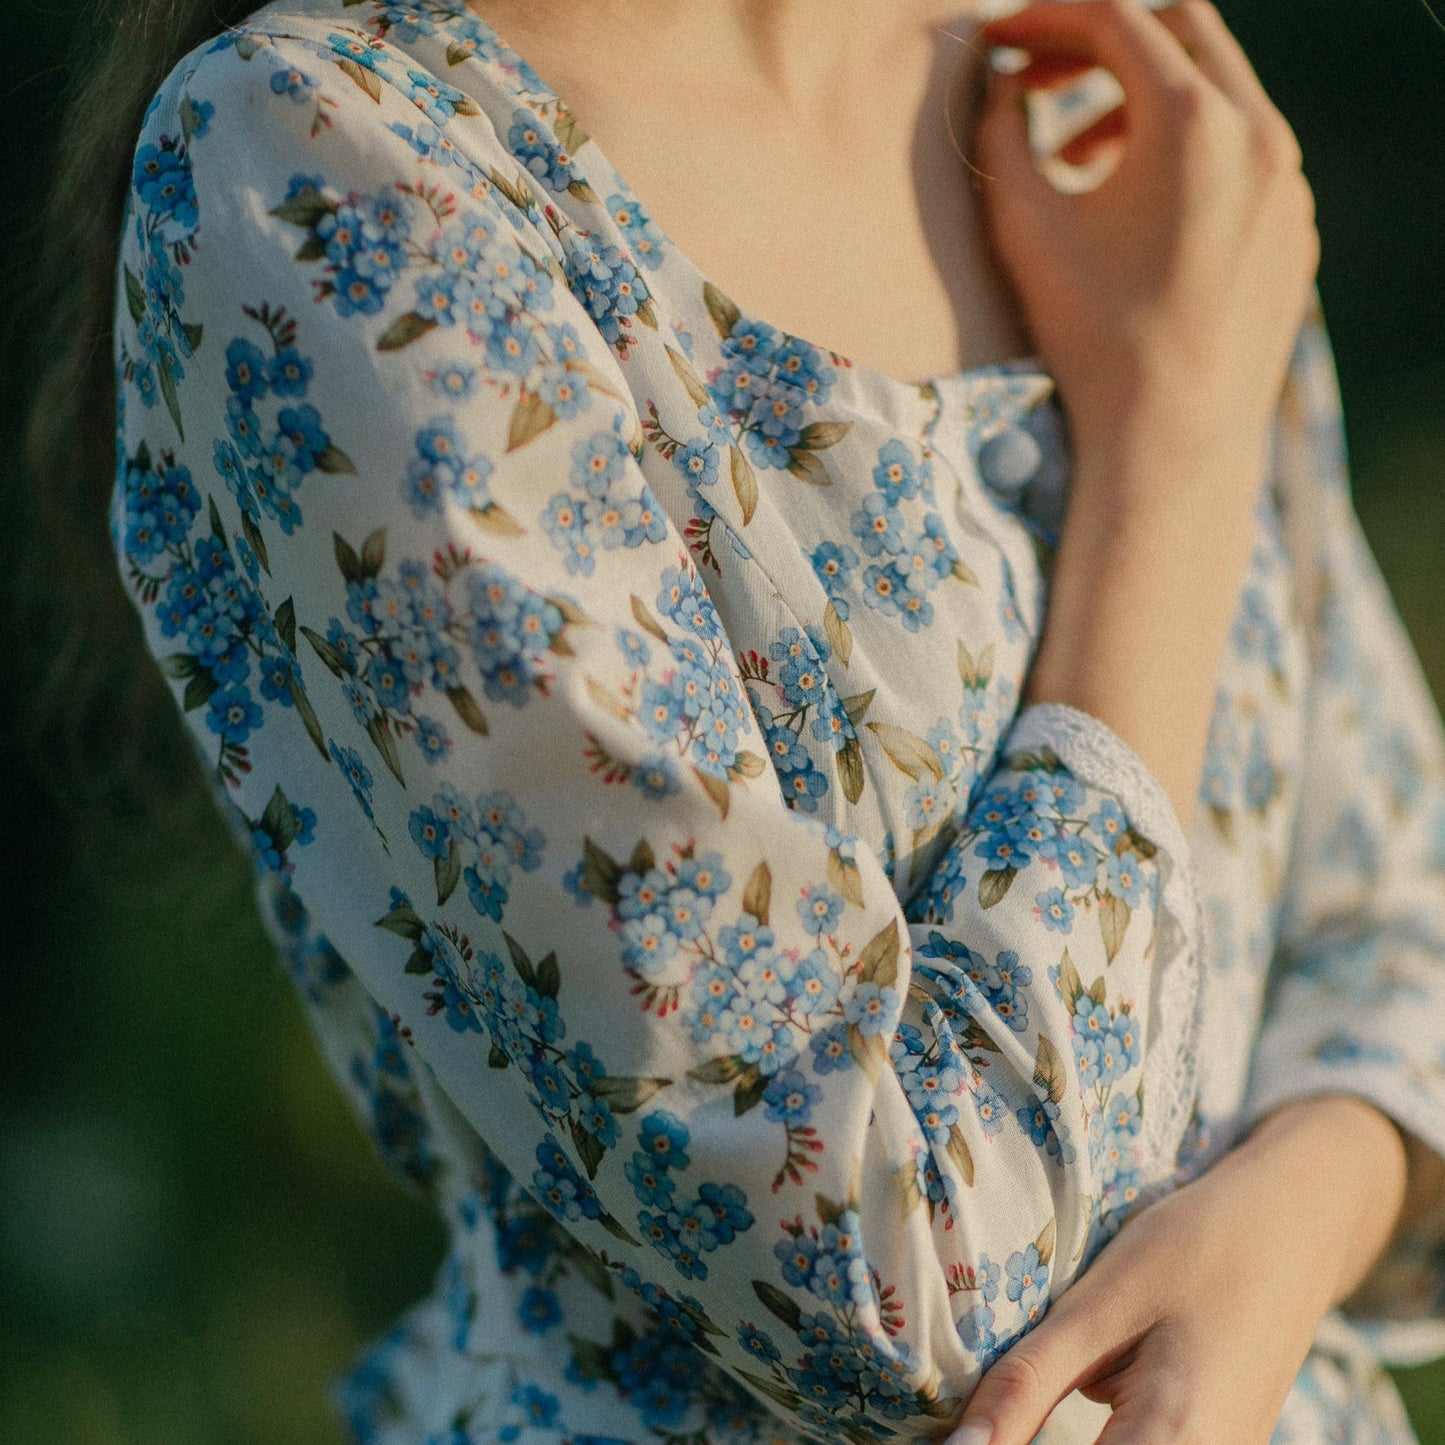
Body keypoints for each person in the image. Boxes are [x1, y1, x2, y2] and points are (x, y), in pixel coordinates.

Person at [53, 0, 1445, 1438]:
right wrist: (1173, 440)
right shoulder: (332, 152)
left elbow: (1399, 916)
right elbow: (889, 1273)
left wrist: (1288, 1223)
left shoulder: (1088, 98)